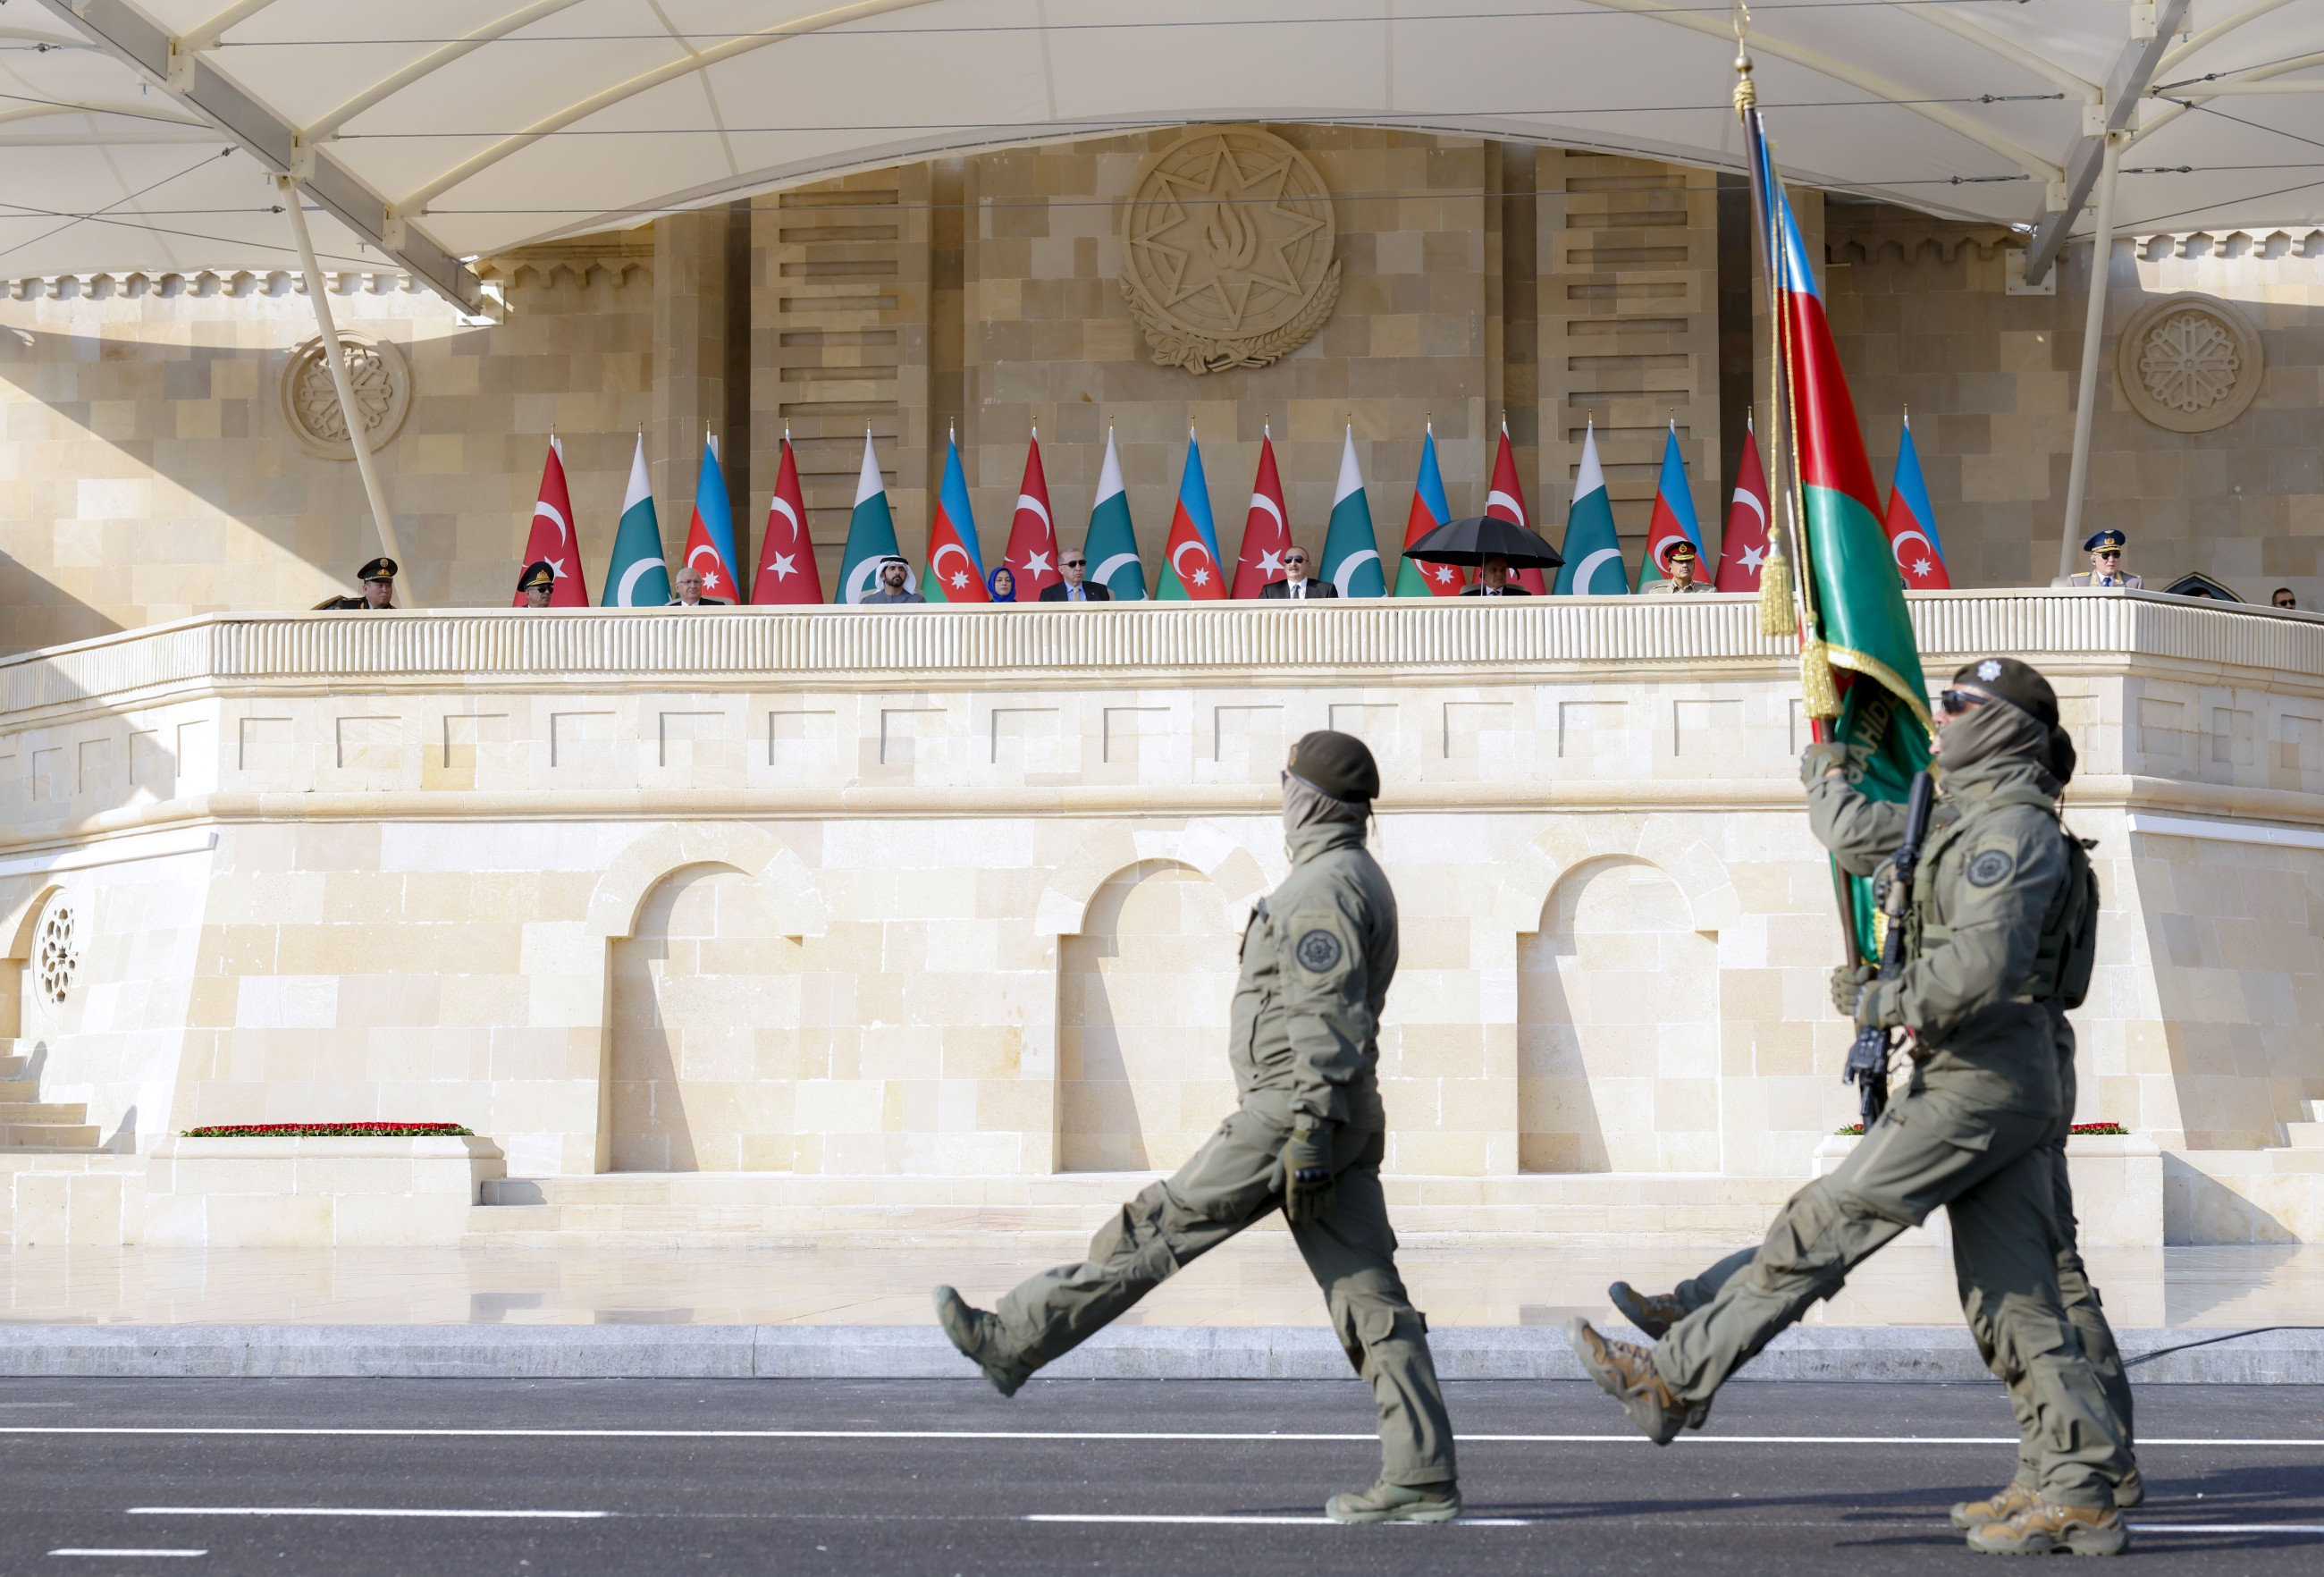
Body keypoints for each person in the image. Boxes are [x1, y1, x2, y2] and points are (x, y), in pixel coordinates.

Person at [1567, 656, 2135, 1557]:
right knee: (2017, 1296)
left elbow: (1978, 973)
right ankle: (2071, 1481)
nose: (1936, 718)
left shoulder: (2010, 834)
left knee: (1822, 1225)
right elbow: (1861, 836)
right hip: (1994, 1071)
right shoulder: (1970, 819)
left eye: (1954, 705)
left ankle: (1671, 1380)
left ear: (1999, 728)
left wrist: (1884, 996)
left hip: (1980, 1075)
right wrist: (1822, 763)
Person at [934, 732, 1461, 1524]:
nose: (1279, 793)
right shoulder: (1351, 875)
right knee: (1369, 1294)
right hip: (1334, 1113)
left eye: (1286, 781)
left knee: (1158, 1229)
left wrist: (1309, 1131)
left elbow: (1326, 1018)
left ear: (1312, 798)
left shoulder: (1322, 887)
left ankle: (1012, 1340)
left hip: (1292, 1115)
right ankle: (1421, 1475)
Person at [2065, 529, 2141, 589]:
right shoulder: (2077, 583)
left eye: (2116, 554)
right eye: (2105, 555)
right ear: (2093, 559)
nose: (2111, 559)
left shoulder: (2134, 583)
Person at [316, 556, 399, 611]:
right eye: (380, 585)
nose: (385, 590)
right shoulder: (345, 607)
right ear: (366, 589)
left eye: (388, 586)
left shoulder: (398, 615)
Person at [1259, 548, 1338, 600]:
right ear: (1284, 566)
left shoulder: (1326, 590)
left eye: (1298, 560)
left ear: (1308, 564)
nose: (1293, 564)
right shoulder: (1269, 591)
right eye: (1288, 560)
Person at [1038, 551, 1110, 603]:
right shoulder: (1048, 594)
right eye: (1072, 564)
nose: (1078, 568)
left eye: (1082, 563)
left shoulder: (1100, 590)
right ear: (1061, 569)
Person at [1645, 540, 1709, 594]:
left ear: (1694, 565)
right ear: (1670, 567)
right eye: (1680, 561)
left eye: (1688, 561)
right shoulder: (1657, 593)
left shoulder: (1708, 592)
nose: (1685, 565)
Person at [860, 556, 925, 604]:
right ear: (882, 575)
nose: (897, 572)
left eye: (901, 569)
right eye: (892, 568)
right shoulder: (868, 602)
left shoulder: (918, 601)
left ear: (905, 576)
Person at [1457, 554, 1529, 596]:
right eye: (1494, 570)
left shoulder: (1522, 596)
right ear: (1483, 575)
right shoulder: (1467, 598)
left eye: (1502, 570)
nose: (1499, 574)